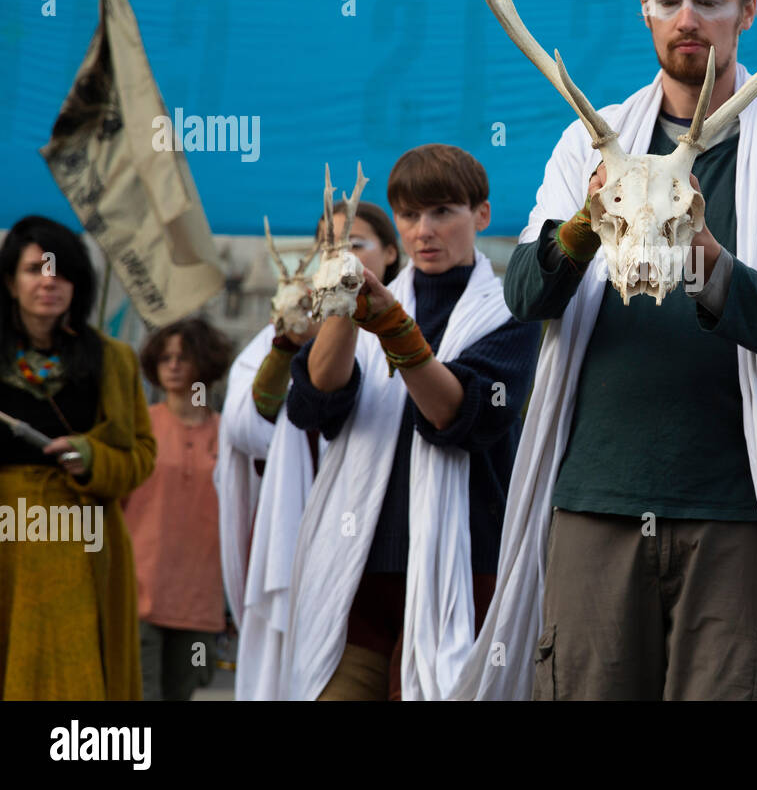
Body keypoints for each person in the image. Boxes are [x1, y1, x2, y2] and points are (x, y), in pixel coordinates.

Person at [498, 0, 757, 700]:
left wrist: (706, 258)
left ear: (748, 11)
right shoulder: (586, 144)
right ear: (645, 10)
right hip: (596, 501)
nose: (687, 17)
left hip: (740, 513)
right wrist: (591, 220)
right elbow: (524, 293)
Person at [281, 145, 541, 700]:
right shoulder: (379, 297)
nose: (424, 230)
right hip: (358, 568)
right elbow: (313, 404)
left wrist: (395, 328)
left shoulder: (512, 312)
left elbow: (460, 415)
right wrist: (344, 305)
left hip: (468, 568)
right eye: (409, 215)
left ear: (483, 215)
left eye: (443, 211)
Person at [225, 200, 402, 701]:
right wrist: (286, 346)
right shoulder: (283, 329)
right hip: (300, 531)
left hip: (384, 548)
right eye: (329, 244)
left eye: (356, 244)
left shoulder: (414, 324)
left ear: (392, 253)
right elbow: (246, 427)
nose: (339, 255)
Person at [0, 216, 156, 699]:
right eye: (34, 269)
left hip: (83, 543)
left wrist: (91, 456)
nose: (48, 281)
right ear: (10, 281)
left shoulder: (112, 359)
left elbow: (141, 456)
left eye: (61, 270)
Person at [126, 317, 234, 700]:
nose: (172, 365)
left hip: (201, 605)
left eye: (183, 358)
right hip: (137, 596)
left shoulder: (231, 435)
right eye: (165, 357)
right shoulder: (137, 428)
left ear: (203, 364)